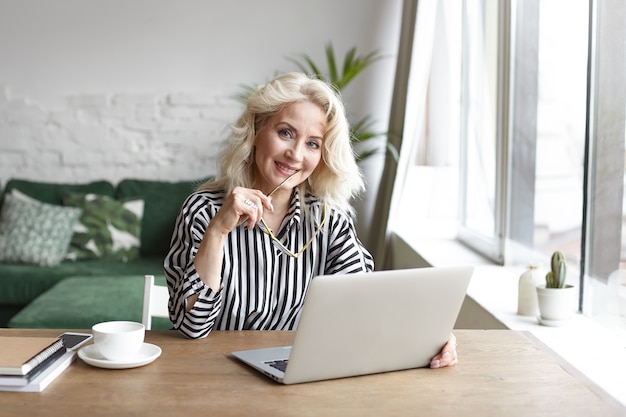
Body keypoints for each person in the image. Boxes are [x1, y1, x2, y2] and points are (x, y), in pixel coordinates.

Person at [164, 72, 457, 368]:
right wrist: (218, 231)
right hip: (213, 374)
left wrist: (429, 337)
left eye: (313, 144)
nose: (295, 154)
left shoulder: (328, 218)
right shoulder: (202, 210)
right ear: (255, 131)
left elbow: (365, 306)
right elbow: (191, 325)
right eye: (285, 133)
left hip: (294, 374)